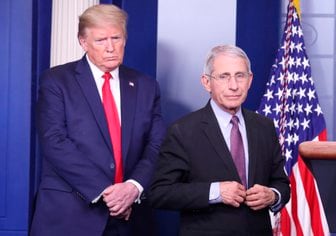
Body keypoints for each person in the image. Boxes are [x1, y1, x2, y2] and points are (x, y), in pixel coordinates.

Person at [30, 4, 165, 236]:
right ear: (83, 42)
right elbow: (55, 142)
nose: (111, 48)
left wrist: (133, 188)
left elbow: (155, 145)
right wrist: (108, 194)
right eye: (101, 40)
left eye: (117, 38)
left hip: (131, 219)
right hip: (70, 216)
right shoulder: (56, 81)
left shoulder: (146, 86)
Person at [148, 44, 290, 236]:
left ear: (250, 80)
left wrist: (273, 196)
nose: (233, 85)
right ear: (206, 82)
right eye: (224, 77)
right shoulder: (183, 131)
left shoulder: (264, 126)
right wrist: (215, 192)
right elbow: (160, 193)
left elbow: (281, 182)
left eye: (240, 76)